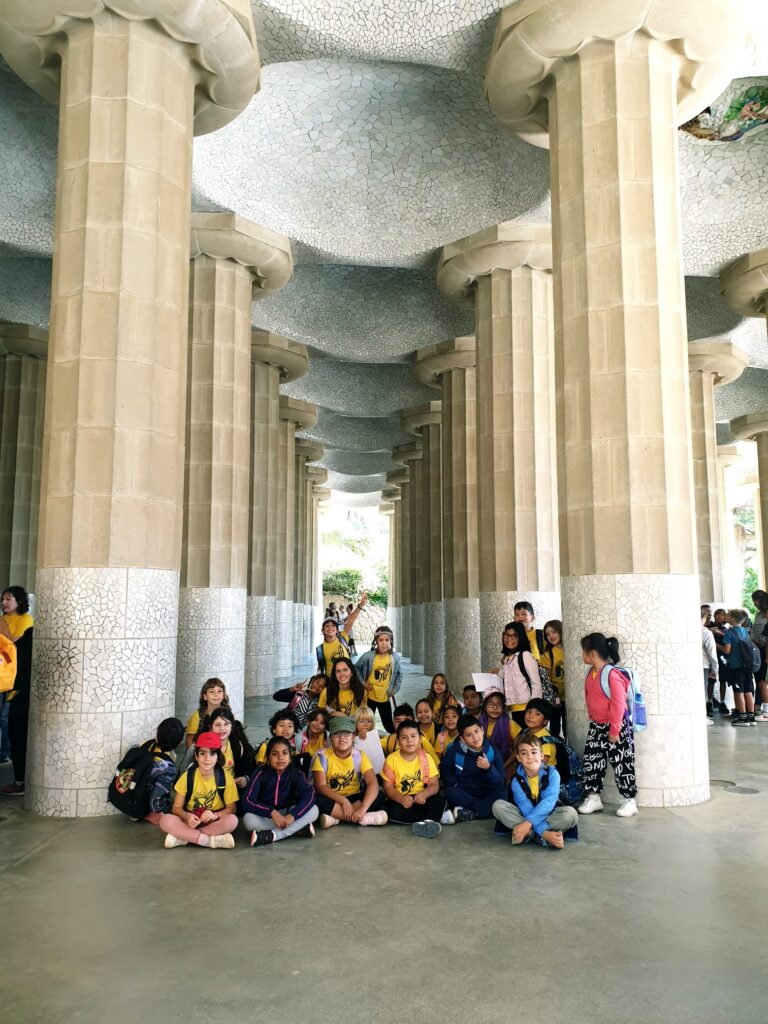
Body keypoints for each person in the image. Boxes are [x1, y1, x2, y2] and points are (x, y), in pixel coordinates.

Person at [578, 633, 638, 818]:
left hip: (616, 726)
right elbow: (590, 696)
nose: (582, 655)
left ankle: (629, 800)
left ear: (593, 653)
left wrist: (614, 730)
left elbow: (619, 704)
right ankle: (593, 797)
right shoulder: (590, 673)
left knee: (622, 763)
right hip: (597, 725)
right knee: (592, 760)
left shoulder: (611, 674)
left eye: (584, 651)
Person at [492, 733, 578, 849]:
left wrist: (527, 823)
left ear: (541, 755)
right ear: (518, 758)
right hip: (525, 814)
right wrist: (545, 834)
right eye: (524, 753)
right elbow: (525, 808)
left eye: (534, 752)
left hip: (548, 814)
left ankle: (526, 832)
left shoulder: (553, 774)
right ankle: (540, 836)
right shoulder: (516, 780)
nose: (530, 757)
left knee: (570, 814)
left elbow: (548, 802)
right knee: (498, 806)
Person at [155, 732, 239, 849]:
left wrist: (215, 815)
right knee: (165, 820)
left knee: (232, 821)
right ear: (196, 756)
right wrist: (187, 816)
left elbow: (232, 809)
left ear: (218, 757)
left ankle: (184, 837)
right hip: (190, 821)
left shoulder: (226, 778)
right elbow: (176, 808)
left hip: (213, 822)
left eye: (212, 754)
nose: (207, 758)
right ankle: (208, 841)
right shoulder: (187, 776)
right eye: (202, 753)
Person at [311, 716, 387, 828]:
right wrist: (344, 802)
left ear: (353, 737)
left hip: (355, 797)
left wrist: (362, 809)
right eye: (337, 734)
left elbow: (372, 783)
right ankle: (362, 818)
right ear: (330, 737)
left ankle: (336, 818)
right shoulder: (322, 757)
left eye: (347, 734)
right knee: (316, 799)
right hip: (333, 798)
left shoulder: (360, 756)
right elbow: (321, 786)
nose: (342, 738)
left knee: (379, 795)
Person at [242, 737, 319, 847]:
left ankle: (272, 835)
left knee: (314, 810)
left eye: (284, 753)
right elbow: (247, 800)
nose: (280, 758)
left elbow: (310, 795)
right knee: (248, 820)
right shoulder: (260, 773)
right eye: (275, 754)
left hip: (288, 813)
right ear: (268, 757)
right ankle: (297, 828)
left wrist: (292, 815)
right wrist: (271, 812)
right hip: (267, 816)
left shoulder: (296, 773)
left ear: (290, 757)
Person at [381, 720, 447, 837]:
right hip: (402, 800)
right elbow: (388, 787)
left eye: (413, 736)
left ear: (420, 739)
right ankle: (430, 820)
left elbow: (434, 784)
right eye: (404, 737)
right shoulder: (391, 760)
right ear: (398, 742)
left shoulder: (426, 757)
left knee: (439, 801)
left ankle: (427, 822)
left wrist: (424, 794)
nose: (409, 740)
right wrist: (401, 798)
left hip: (422, 798)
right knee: (393, 812)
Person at [440, 714, 506, 822]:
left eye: (476, 731)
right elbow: (445, 769)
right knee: (449, 792)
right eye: (469, 735)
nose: (475, 737)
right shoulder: (454, 751)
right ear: (462, 739)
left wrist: (489, 768)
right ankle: (481, 810)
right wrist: (454, 783)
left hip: (488, 792)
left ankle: (472, 812)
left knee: (504, 793)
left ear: (482, 730)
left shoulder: (493, 751)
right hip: (466, 792)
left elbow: (500, 782)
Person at [0, 586, 34, 796]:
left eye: (8, 599)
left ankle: (19, 778)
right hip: (5, 679)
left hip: (17, 685)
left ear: (19, 601)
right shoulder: (4, 620)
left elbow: (12, 648)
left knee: (12, 726)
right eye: (3, 599)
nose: (4, 603)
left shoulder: (26, 622)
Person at [355, 626, 401, 732]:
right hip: (369, 697)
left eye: (387, 640)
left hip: (384, 698)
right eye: (381, 640)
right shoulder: (368, 657)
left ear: (391, 641)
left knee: (389, 725)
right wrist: (363, 683)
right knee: (366, 724)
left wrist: (394, 689)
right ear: (376, 641)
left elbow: (399, 675)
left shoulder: (394, 658)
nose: (384, 643)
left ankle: (395, 740)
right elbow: (356, 668)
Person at [496, 622, 542, 726]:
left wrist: (534, 708)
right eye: (506, 635)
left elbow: (536, 683)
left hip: (526, 708)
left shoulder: (525, 656)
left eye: (514, 636)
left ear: (520, 637)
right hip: (512, 708)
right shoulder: (508, 658)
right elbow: (507, 679)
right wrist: (498, 673)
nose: (509, 639)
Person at [142, 717, 186, 819]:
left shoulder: (146, 744)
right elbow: (157, 799)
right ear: (179, 742)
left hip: (126, 795)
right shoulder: (167, 766)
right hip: (141, 807)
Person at [316, 594, 367, 676]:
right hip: (332, 682)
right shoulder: (320, 649)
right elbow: (320, 668)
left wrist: (361, 605)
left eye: (333, 626)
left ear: (337, 630)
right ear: (322, 630)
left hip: (348, 679)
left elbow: (351, 620)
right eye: (327, 626)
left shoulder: (343, 638)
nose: (330, 628)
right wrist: (317, 678)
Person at [721, 608, 756, 727]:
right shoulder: (744, 630)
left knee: (738, 691)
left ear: (731, 618)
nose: (726, 616)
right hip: (747, 665)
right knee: (747, 690)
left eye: (728, 614)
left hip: (736, 666)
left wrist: (717, 645)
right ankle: (751, 716)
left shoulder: (729, 632)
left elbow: (727, 650)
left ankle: (742, 717)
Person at [479, 688, 520, 775]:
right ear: (485, 707)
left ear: (503, 708)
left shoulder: (510, 724)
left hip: (506, 763)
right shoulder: (479, 724)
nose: (495, 708)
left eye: (499, 705)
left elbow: (518, 749)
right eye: (491, 704)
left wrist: (503, 766)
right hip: (482, 763)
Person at [184, 678, 230, 748]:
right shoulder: (198, 716)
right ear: (205, 696)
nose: (216, 694)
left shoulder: (228, 714)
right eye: (212, 692)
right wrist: (198, 753)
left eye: (219, 691)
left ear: (223, 695)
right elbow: (189, 741)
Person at [539, 619, 565, 737]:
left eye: (554, 632)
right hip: (556, 698)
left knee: (568, 727)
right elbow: (546, 681)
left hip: (570, 698)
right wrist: (552, 697)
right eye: (548, 634)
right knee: (555, 728)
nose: (551, 636)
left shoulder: (570, 649)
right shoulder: (547, 655)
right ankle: (555, 747)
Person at [521, 699, 557, 766]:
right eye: (529, 711)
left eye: (537, 714)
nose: (531, 716)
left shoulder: (545, 740)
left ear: (545, 721)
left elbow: (540, 765)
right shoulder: (526, 732)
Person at [750, 591, 768, 720]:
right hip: (758, 649)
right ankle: (757, 705)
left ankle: (763, 708)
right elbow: (754, 630)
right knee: (758, 678)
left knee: (762, 681)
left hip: (764, 650)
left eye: (755, 600)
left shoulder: (766, 615)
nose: (754, 603)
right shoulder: (759, 614)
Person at [354, 705, 385, 774]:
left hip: (380, 771)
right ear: (355, 723)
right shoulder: (350, 738)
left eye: (369, 721)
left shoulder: (379, 734)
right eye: (361, 721)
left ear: (373, 723)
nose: (365, 724)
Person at [702, 608, 719, 723]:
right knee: (702, 691)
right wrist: (715, 670)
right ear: (703, 617)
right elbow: (712, 653)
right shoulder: (706, 632)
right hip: (704, 665)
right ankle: (702, 717)